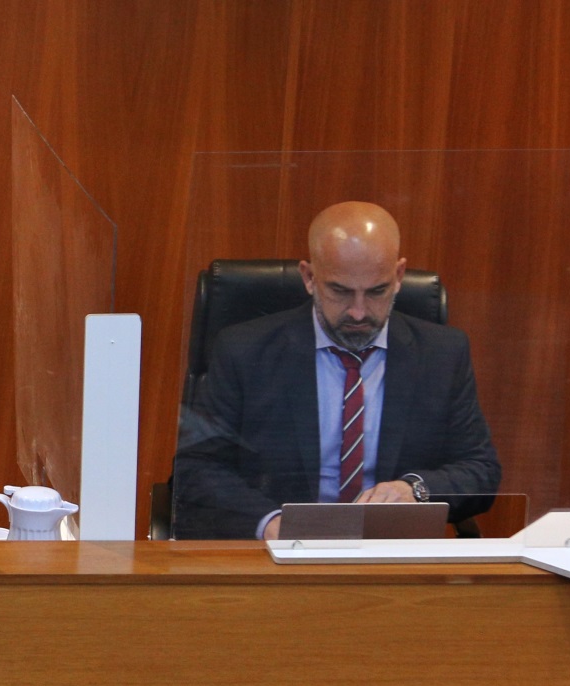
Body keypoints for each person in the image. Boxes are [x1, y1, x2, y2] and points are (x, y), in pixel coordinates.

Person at [173, 202, 500, 540]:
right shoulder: (244, 351)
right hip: (280, 553)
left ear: (399, 276)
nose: (358, 313)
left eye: (376, 291)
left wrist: (415, 489)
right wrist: (269, 523)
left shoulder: (442, 354)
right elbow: (196, 468)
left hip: (390, 553)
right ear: (309, 278)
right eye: (340, 291)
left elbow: (480, 469)